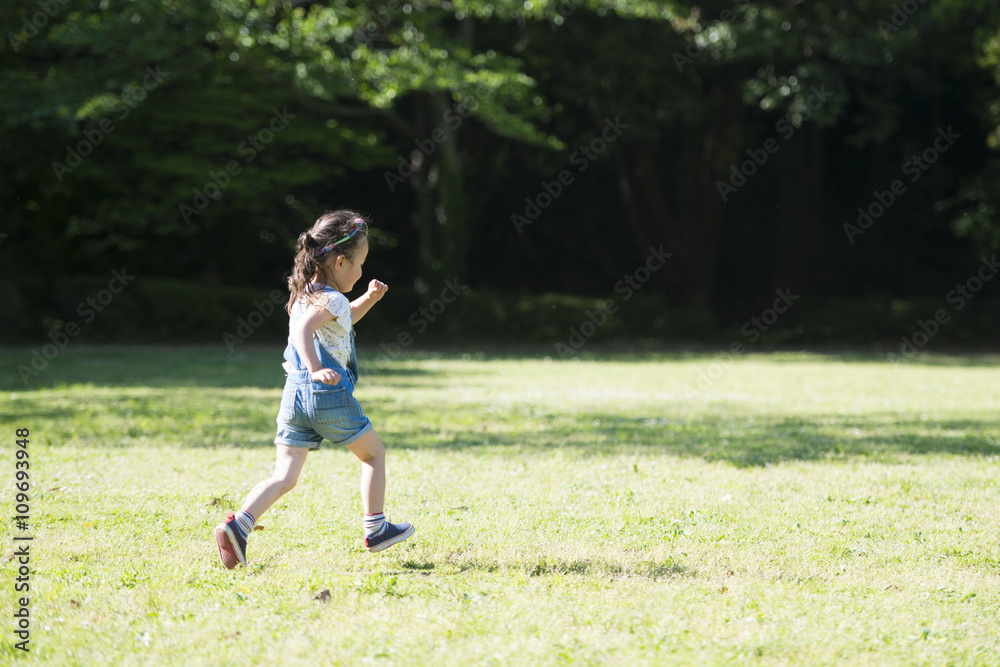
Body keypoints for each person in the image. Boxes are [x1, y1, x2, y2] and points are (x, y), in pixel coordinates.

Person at [214, 210, 414, 569]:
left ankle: (238, 525)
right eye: (360, 264)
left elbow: (339, 318)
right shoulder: (331, 300)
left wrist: (368, 299)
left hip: (294, 396)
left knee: (284, 476)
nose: (362, 272)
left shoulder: (307, 294)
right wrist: (318, 368)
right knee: (373, 455)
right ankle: (376, 528)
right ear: (339, 261)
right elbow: (304, 331)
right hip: (326, 393)